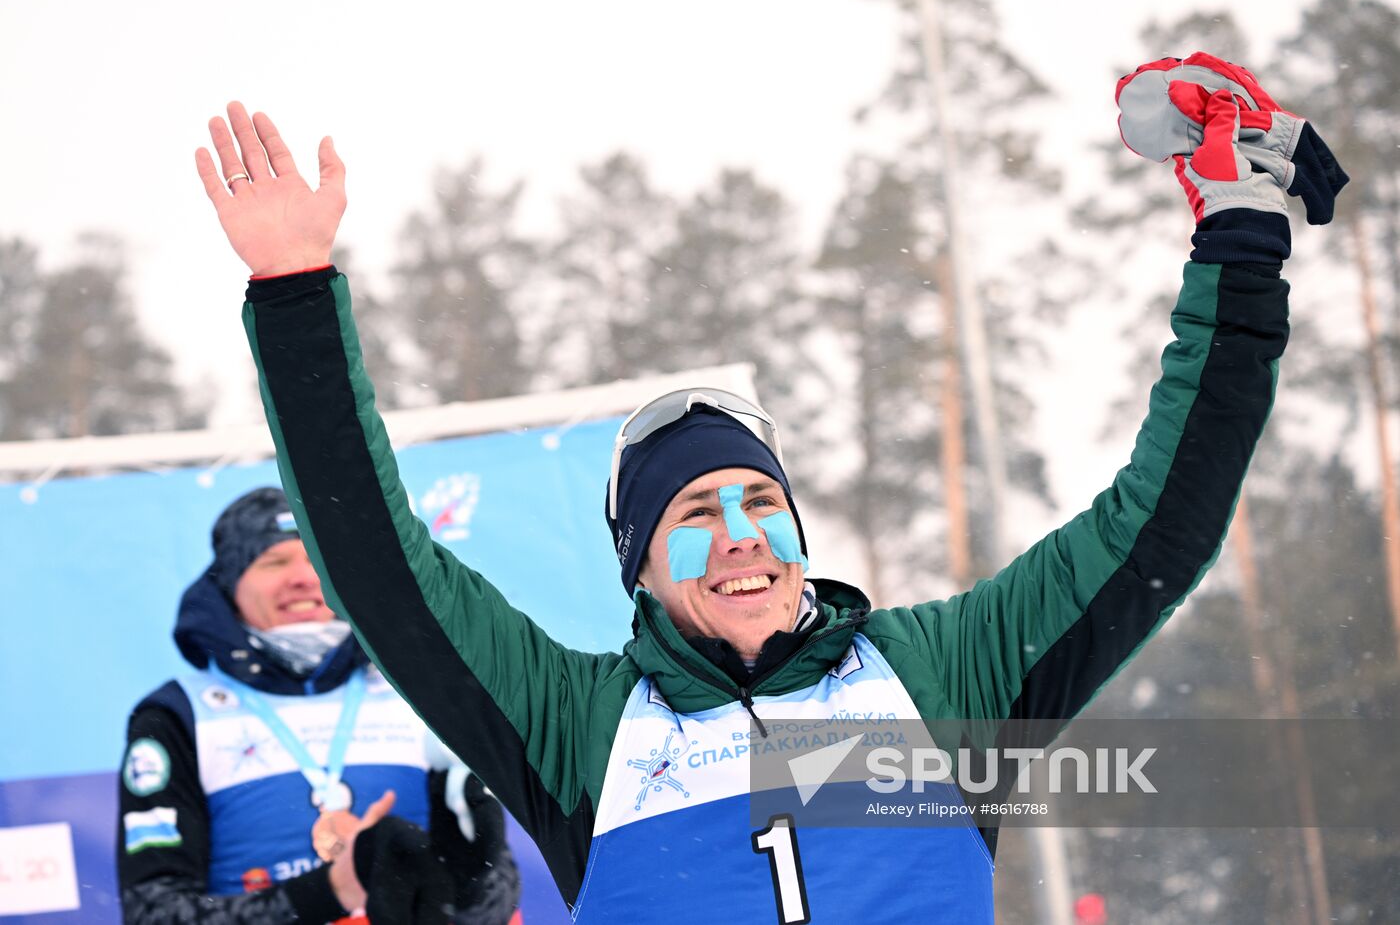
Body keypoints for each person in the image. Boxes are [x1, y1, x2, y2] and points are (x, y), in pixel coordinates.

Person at [192, 53, 1346, 922]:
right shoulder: (578, 725)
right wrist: (294, 288)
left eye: (757, 504)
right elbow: (384, 569)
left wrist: (1236, 245)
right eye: (693, 516)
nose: (740, 536)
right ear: (637, 567)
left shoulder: (941, 673)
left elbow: (1160, 518)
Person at [117, 488, 522, 924]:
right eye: (274, 561)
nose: (303, 577)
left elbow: (497, 903)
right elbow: (153, 912)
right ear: (230, 584)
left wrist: (466, 882)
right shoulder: (177, 716)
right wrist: (330, 891)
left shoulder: (420, 691)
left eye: (317, 559)